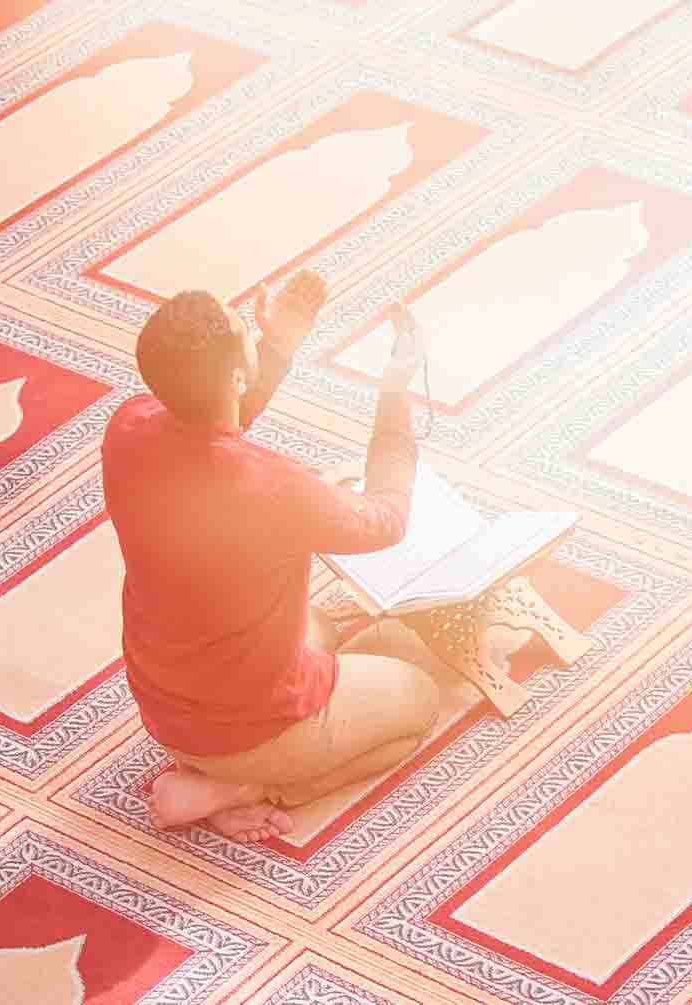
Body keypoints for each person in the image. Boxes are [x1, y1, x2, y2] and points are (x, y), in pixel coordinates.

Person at [101, 270, 440, 842]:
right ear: (236, 376)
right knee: (418, 700)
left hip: (164, 701)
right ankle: (241, 790)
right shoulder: (276, 490)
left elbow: (205, 427)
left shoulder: (128, 430)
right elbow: (385, 519)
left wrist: (276, 344)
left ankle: (211, 769)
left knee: (321, 626)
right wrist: (394, 392)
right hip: (249, 726)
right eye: (242, 326)